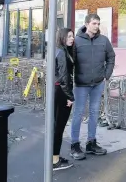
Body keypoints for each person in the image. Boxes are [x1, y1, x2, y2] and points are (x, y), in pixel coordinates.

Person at [70, 13, 115, 160]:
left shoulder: (104, 40)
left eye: (98, 23)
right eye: (94, 23)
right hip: (81, 84)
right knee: (78, 113)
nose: (96, 26)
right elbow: (70, 62)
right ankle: (75, 145)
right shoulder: (76, 41)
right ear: (87, 24)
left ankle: (91, 143)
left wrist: (106, 75)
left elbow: (111, 57)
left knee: (94, 113)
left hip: (97, 83)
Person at [53, 28, 75, 171]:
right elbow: (63, 78)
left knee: (57, 126)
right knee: (59, 127)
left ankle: (54, 157)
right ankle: (55, 160)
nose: (72, 38)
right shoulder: (62, 52)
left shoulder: (59, 50)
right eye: (69, 36)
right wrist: (70, 97)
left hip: (59, 91)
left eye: (72, 36)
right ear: (62, 37)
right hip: (62, 93)